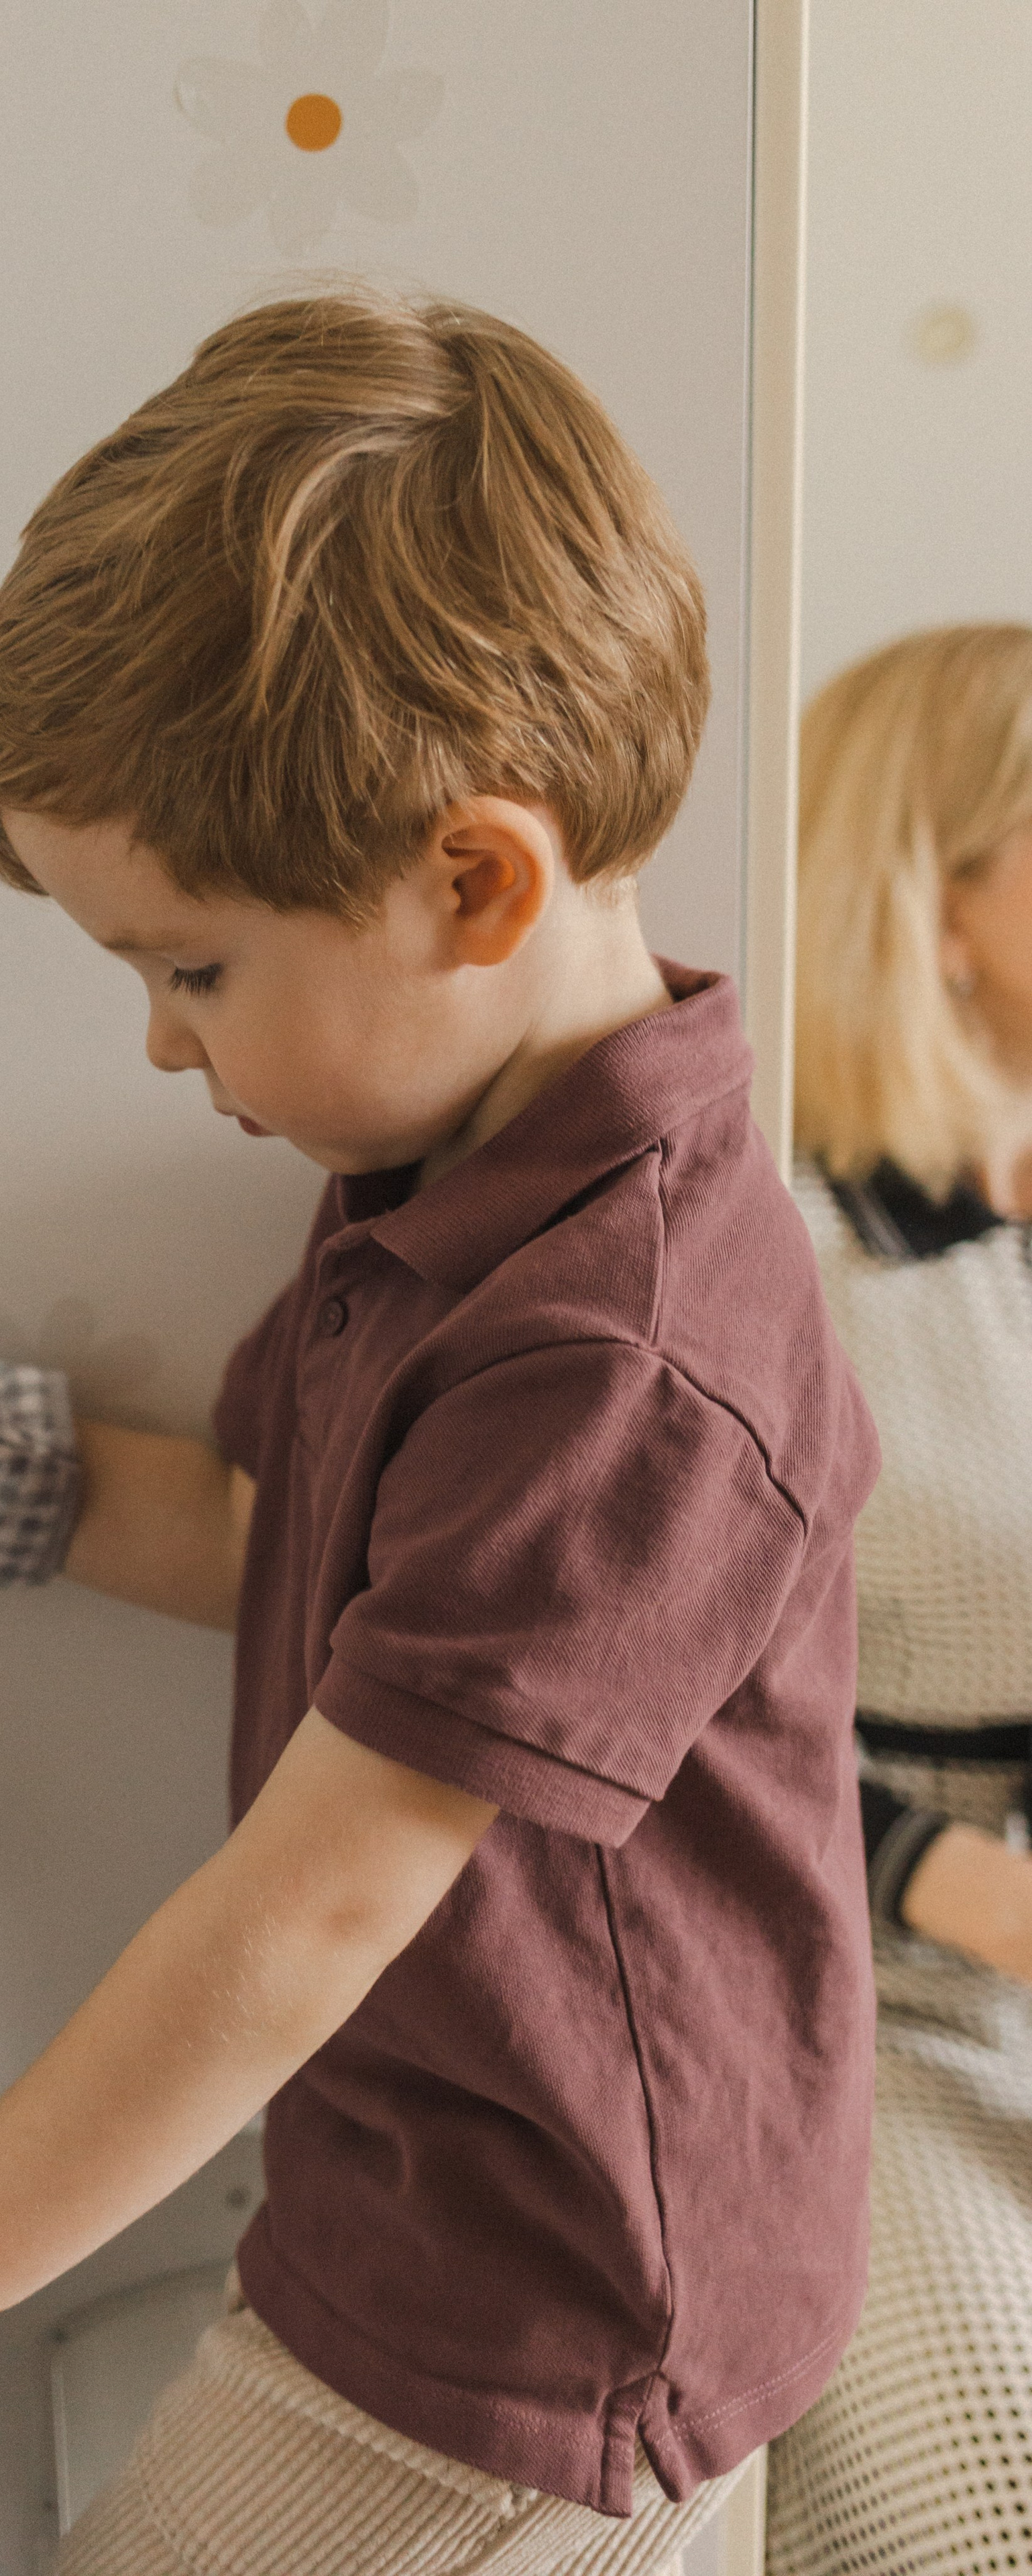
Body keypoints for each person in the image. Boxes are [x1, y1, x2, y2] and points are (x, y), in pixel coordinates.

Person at [0, 293, 881, 2576]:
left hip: (544, 2336)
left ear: (472, 884)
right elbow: (275, 1538)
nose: (164, 1051)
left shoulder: (626, 1350)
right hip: (426, 2222)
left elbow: (311, 1911)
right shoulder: (432, 1190)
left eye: (190, 969)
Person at [768, 624, 1032, 2576]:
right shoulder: (784, 1253)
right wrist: (957, 1879)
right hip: (883, 1995)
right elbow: (648, 1712)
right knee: (988, 2507)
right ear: (938, 905)